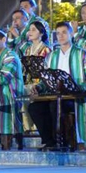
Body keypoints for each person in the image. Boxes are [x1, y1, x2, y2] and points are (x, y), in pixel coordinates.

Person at [35, 22, 86, 151]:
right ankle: (50, 141)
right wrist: (39, 87)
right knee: (34, 108)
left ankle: (62, 142)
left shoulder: (82, 54)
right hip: (54, 96)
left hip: (74, 98)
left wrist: (79, 87)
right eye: (58, 33)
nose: (61, 36)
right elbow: (44, 80)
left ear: (71, 34)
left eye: (64, 32)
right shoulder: (51, 56)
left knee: (55, 106)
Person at [20, 20, 53, 149]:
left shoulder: (46, 50)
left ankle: (34, 129)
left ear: (41, 33)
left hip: (42, 85)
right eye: (29, 29)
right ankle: (26, 128)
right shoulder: (28, 49)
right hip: (29, 83)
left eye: (33, 29)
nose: (30, 32)